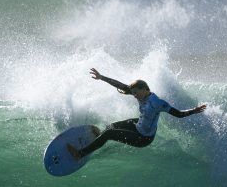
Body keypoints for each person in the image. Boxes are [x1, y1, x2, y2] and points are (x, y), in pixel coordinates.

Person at [67, 68, 207, 160]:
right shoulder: (140, 94)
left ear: (145, 89)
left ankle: (80, 154)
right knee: (111, 127)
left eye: (136, 93)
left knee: (110, 134)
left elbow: (178, 114)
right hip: (139, 125)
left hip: (143, 138)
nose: (134, 96)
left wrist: (194, 110)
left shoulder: (157, 103)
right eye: (133, 93)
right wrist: (101, 77)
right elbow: (121, 86)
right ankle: (99, 139)